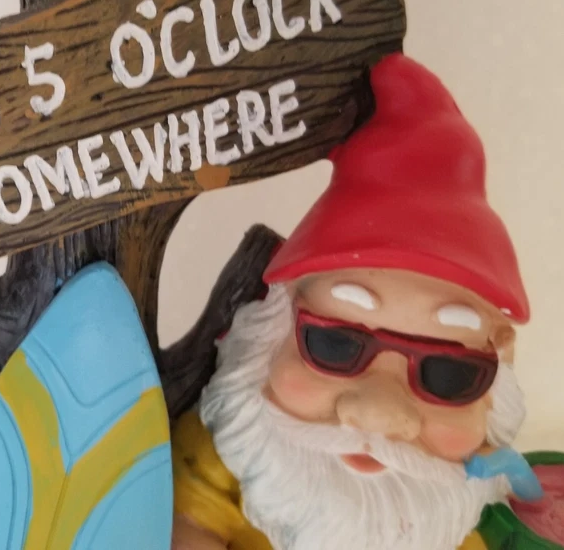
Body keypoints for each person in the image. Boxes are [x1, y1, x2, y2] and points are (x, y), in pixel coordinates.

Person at [171, 53, 530, 550]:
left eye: (449, 374)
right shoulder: (230, 452)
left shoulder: (453, 505)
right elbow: (187, 523)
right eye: (335, 345)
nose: (379, 413)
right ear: (279, 320)